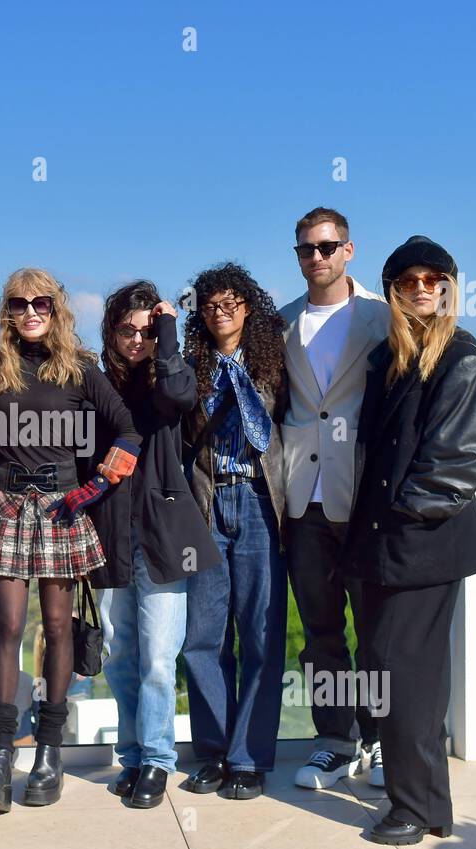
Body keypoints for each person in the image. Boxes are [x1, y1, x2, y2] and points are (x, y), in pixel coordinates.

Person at [342, 235, 476, 845]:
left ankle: (413, 807)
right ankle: (425, 803)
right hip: (382, 543)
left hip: (422, 546)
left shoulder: (461, 359)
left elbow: (460, 460)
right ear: (393, 293)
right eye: (411, 281)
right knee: (390, 671)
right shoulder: (389, 358)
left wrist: (402, 514)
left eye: (435, 281)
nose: (424, 289)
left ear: (449, 290)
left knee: (408, 679)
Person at [0, 267, 141, 812]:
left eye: (41, 302)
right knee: (10, 627)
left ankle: (49, 751)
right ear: (8, 312)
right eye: (19, 304)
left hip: (64, 508)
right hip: (10, 506)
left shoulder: (81, 370)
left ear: (57, 309)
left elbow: (128, 429)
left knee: (60, 626)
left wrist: (94, 488)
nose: (31, 311)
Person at [87, 280, 221, 809]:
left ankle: (159, 760)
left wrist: (170, 330)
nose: (137, 339)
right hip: (111, 535)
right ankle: (132, 755)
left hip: (165, 538)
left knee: (160, 659)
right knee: (121, 655)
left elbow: (182, 395)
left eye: (147, 330)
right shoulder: (97, 384)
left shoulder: (170, 379)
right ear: (112, 331)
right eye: (128, 329)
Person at [278, 207, 391, 790]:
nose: (316, 257)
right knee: (322, 632)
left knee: (375, 629)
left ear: (349, 249)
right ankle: (333, 741)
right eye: (305, 249)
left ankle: (378, 740)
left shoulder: (382, 316)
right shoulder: (280, 322)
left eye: (327, 246)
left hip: (364, 497)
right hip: (303, 501)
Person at [180, 262, 289, 800]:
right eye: (209, 304)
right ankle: (215, 752)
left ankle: (249, 758)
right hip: (207, 502)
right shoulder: (191, 367)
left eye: (230, 302)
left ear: (248, 306)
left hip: (260, 502)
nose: (220, 312)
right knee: (201, 636)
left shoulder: (275, 361)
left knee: (261, 637)